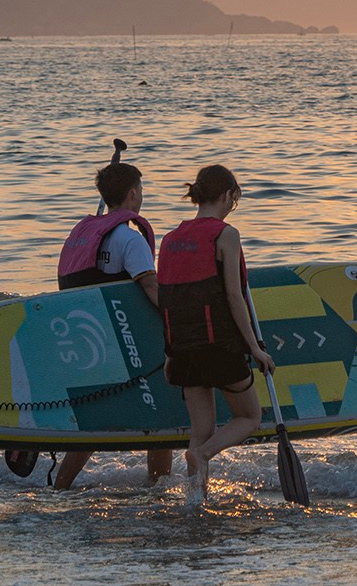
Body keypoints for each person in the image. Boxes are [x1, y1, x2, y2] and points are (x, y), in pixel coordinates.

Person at [48, 141, 175, 490]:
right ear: (133, 195)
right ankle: (157, 488)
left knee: (95, 420)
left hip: (85, 337)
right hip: (125, 340)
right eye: (142, 190)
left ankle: (61, 487)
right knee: (161, 417)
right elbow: (150, 288)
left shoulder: (83, 235)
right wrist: (180, 319)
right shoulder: (129, 239)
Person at [157, 165, 275, 501]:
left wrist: (169, 352)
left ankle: (196, 501)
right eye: (234, 200)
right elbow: (234, 296)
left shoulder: (170, 239)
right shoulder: (225, 234)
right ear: (227, 196)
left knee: (201, 433)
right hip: (219, 347)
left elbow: (168, 297)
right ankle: (205, 456)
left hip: (182, 349)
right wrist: (255, 348)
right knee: (250, 416)